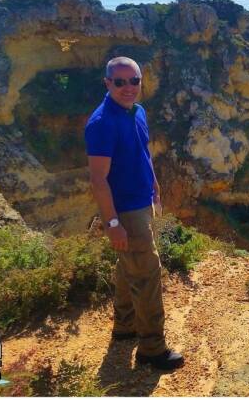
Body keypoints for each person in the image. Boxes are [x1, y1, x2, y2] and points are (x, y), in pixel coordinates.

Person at [84, 55, 184, 371]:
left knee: (129, 266)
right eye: (120, 81)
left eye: (134, 81)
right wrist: (113, 222)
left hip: (142, 202)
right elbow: (98, 179)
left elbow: (144, 154)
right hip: (125, 210)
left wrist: (155, 187)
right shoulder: (102, 123)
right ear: (107, 83)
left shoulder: (137, 112)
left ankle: (125, 328)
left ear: (141, 82)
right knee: (147, 274)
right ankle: (152, 349)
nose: (128, 87)